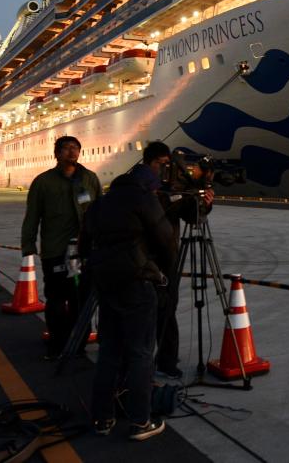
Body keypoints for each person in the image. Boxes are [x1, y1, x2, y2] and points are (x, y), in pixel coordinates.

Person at [80, 172, 177, 440]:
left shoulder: (100, 203)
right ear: (148, 186)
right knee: (140, 353)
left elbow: (84, 244)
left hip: (105, 283)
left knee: (109, 351)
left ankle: (102, 418)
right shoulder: (144, 199)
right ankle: (140, 421)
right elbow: (167, 240)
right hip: (137, 282)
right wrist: (163, 274)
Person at [127, 142, 213, 379]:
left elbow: (193, 218)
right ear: (150, 163)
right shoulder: (137, 186)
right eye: (163, 165)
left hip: (167, 257)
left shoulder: (174, 188)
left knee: (168, 309)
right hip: (139, 258)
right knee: (139, 310)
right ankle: (133, 359)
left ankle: (166, 360)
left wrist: (204, 201)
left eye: (169, 165)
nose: (167, 170)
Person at [21, 135, 100, 359]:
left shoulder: (89, 179)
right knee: (56, 299)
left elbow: (99, 211)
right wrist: (28, 244)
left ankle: (79, 344)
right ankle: (57, 344)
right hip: (55, 249)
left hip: (85, 250)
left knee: (81, 300)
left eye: (75, 148)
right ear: (56, 153)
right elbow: (32, 215)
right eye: (66, 148)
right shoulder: (43, 182)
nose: (71, 152)